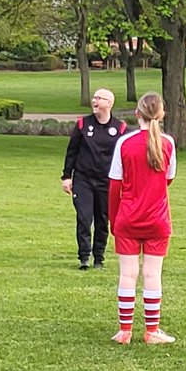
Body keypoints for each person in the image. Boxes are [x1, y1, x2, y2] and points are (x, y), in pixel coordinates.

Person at [108, 92, 177, 344]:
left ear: (137, 114)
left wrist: (113, 219)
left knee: (127, 275)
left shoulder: (124, 143)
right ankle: (151, 330)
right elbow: (168, 179)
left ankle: (124, 330)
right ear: (161, 114)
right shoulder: (168, 143)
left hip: (127, 217)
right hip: (157, 219)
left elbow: (115, 186)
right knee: (152, 274)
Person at [61, 88, 127, 269]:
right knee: (84, 218)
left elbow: (125, 156)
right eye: (94, 97)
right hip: (84, 179)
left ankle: (99, 257)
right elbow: (72, 151)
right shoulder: (83, 124)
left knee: (102, 219)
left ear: (109, 103)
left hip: (107, 181)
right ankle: (84, 257)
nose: (94, 101)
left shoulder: (120, 128)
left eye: (99, 98)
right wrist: (67, 176)